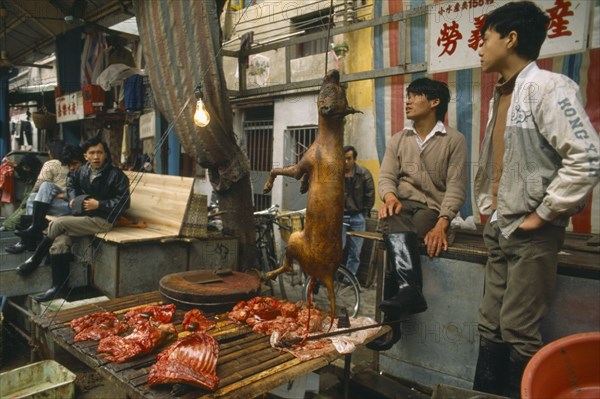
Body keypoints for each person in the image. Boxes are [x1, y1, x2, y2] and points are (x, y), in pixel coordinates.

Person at [472, 2, 600, 397]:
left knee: (517, 329)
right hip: (501, 226)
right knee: (489, 323)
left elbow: (587, 156)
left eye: (486, 38)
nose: (479, 47)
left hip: (531, 233)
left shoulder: (548, 87)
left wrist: (544, 213)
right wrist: (488, 208)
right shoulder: (502, 93)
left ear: (510, 39)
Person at [367, 77, 467, 351]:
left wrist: (443, 222)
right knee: (391, 218)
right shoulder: (399, 139)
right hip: (401, 206)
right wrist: (388, 197)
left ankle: (392, 321)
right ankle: (410, 293)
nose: (407, 101)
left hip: (431, 210)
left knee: (404, 230)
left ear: (434, 102)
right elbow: (386, 176)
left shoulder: (454, 140)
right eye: (407, 96)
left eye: (414, 96)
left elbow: (457, 186)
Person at [16, 136, 131, 302]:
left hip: (103, 221)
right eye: (92, 153)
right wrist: (74, 199)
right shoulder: (83, 171)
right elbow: (71, 182)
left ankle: (34, 260)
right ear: (86, 156)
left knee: (57, 223)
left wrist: (99, 204)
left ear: (106, 154)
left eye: (100, 152)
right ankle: (57, 288)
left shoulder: (116, 175)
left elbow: (124, 202)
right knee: (60, 242)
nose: (96, 156)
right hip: (83, 218)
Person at [6, 143, 84, 254]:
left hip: (76, 209)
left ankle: (28, 239)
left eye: (75, 164)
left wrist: (61, 195)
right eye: (69, 165)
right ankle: (33, 230)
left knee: (33, 198)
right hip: (67, 204)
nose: (71, 167)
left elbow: (80, 197)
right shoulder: (73, 173)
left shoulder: (85, 173)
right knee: (40, 191)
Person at [342, 145, 375, 276]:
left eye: (349, 159)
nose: (345, 162)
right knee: (337, 249)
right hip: (340, 217)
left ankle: (349, 279)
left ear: (354, 159)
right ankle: (333, 277)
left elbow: (370, 194)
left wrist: (364, 213)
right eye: (343, 159)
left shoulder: (363, 174)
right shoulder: (336, 174)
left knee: (355, 252)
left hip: (357, 216)